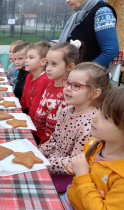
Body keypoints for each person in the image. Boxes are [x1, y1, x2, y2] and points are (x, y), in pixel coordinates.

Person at [39, 62, 110, 193]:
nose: (68, 88)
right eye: (68, 83)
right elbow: (54, 139)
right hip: (51, 163)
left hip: (68, 178)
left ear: (94, 93)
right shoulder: (66, 111)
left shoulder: (91, 125)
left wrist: (45, 163)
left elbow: (75, 162)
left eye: (76, 86)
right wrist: (40, 152)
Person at [61, 87, 124, 210]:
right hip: (69, 198)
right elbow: (86, 170)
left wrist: (82, 176)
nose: (94, 116)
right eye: (98, 109)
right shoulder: (94, 143)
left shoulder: (120, 176)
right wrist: (73, 167)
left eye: (106, 117)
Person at [33, 41, 83, 145]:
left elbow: (58, 130)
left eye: (54, 64)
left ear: (70, 67)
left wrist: (43, 146)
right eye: (47, 63)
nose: (48, 68)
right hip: (38, 136)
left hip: (49, 145)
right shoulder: (51, 83)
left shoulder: (67, 94)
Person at [59, 0, 118, 67]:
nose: (67, 1)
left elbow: (110, 50)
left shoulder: (103, 12)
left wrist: (87, 71)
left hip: (88, 75)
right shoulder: (81, 13)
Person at [20, 41, 51, 122]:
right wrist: (19, 112)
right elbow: (23, 99)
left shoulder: (43, 80)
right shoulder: (29, 76)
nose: (26, 60)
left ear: (43, 62)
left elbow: (35, 109)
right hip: (27, 113)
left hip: (35, 120)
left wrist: (28, 125)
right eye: (26, 57)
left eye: (31, 57)